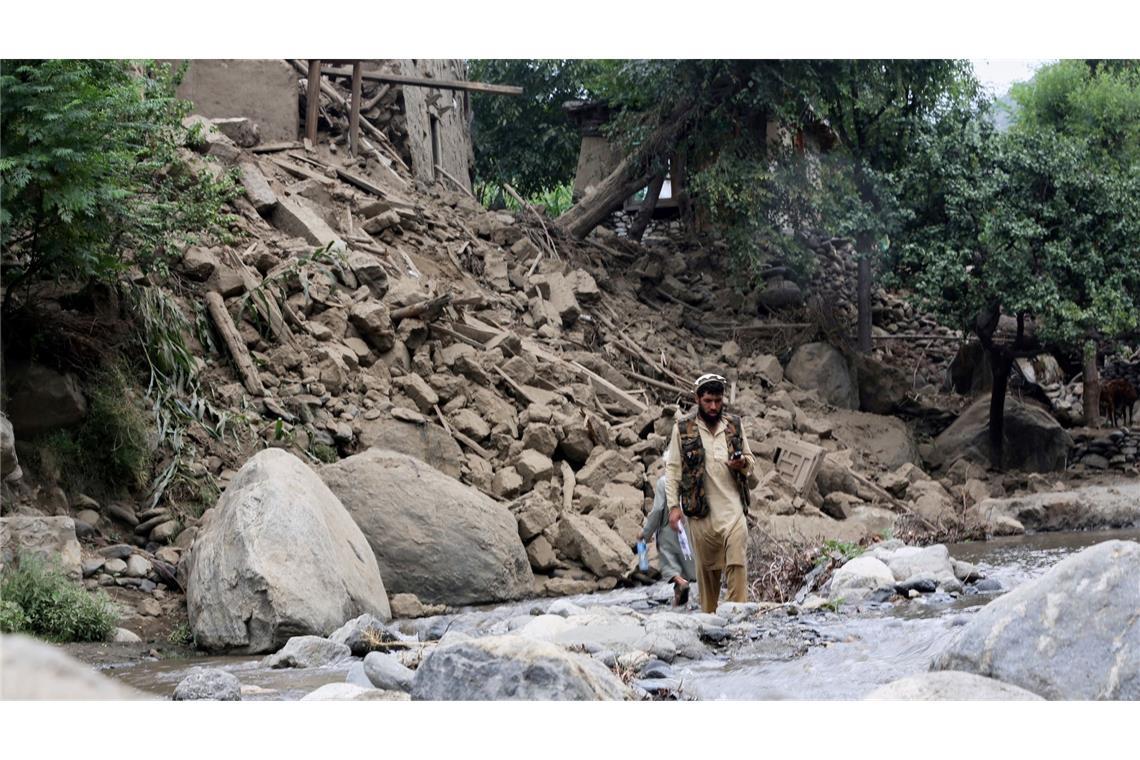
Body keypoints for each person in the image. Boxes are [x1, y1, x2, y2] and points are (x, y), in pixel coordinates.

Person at [664, 372, 756, 613]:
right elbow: (673, 470)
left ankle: (736, 614)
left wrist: (742, 464)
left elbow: (751, 461)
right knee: (707, 573)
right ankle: (709, 619)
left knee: (737, 559)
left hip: (732, 508)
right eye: (708, 401)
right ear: (697, 399)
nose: (713, 406)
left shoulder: (734, 426)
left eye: (718, 401)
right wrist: (673, 507)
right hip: (701, 513)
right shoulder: (682, 429)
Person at [639, 456, 697, 607]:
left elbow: (658, 510)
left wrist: (645, 534)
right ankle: (679, 601)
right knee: (684, 567)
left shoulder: (663, 483)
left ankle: (681, 583)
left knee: (669, 567)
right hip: (687, 532)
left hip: (668, 531)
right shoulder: (689, 481)